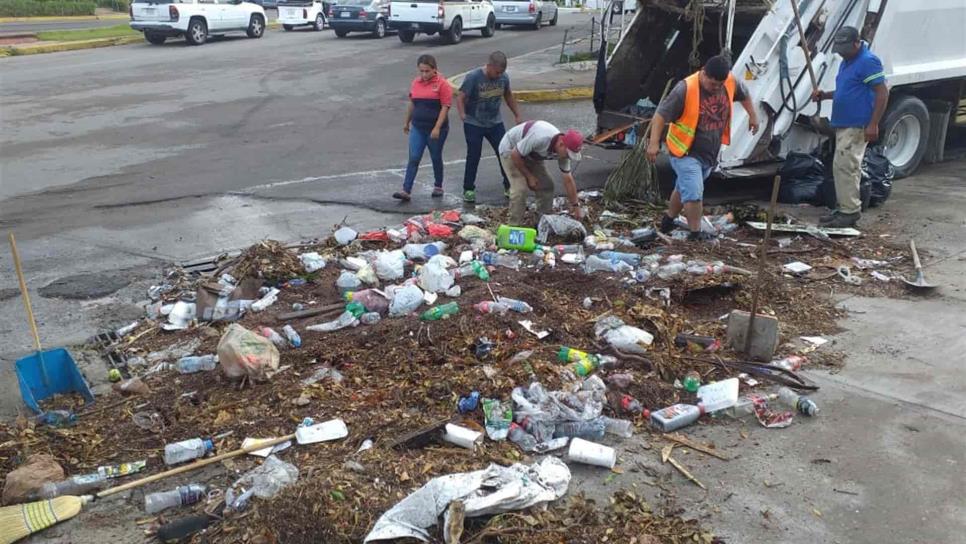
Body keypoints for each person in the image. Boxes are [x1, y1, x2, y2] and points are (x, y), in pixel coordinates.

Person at [647, 55, 759, 241]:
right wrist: (653, 143)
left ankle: (668, 220)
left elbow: (744, 93)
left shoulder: (729, 81)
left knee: (683, 188)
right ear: (704, 73)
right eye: (713, 84)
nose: (716, 88)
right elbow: (660, 115)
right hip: (685, 152)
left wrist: (753, 116)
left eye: (719, 85)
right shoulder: (685, 89)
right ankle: (695, 233)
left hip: (709, 153)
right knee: (694, 192)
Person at [813, 26, 889, 228]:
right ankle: (844, 207)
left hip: (857, 124)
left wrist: (873, 124)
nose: (841, 52)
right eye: (839, 49)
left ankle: (850, 212)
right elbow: (847, 89)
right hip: (844, 122)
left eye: (845, 48)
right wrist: (825, 95)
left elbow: (882, 93)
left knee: (847, 166)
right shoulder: (847, 62)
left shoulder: (868, 61)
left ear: (857, 43)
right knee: (841, 166)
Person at [457, 51, 523, 204]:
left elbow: (508, 95)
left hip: (495, 122)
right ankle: (468, 188)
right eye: (497, 72)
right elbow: (460, 97)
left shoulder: (503, 78)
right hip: (474, 122)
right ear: (489, 66)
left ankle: (508, 185)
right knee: (474, 155)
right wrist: (462, 115)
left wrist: (517, 114)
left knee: (504, 152)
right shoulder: (474, 77)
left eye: (501, 72)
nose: (499, 75)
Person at [498, 120, 584, 226]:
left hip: (532, 153)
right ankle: (514, 226)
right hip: (511, 149)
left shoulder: (563, 151)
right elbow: (515, 155)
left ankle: (541, 222)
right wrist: (529, 177)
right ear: (561, 144)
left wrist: (576, 206)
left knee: (547, 186)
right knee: (520, 190)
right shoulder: (540, 137)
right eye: (568, 154)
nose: (568, 157)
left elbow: (568, 179)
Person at [394, 54, 452, 202]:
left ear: (434, 70)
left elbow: (445, 107)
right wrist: (407, 122)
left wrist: (437, 128)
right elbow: (413, 103)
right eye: (421, 71)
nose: (424, 74)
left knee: (435, 156)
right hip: (418, 127)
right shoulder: (416, 83)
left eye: (427, 71)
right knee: (414, 157)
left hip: (435, 128)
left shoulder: (442, 84)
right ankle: (406, 190)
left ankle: (438, 185)